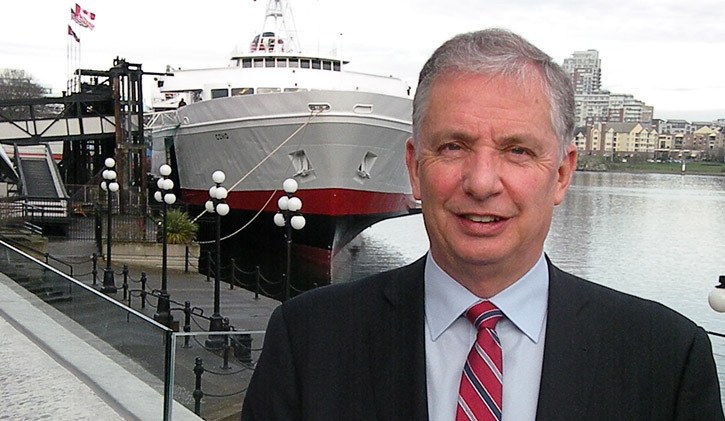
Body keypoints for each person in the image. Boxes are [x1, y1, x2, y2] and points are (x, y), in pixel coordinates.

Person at [241, 28, 724, 420]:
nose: (482, 182)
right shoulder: (307, 341)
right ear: (414, 168)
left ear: (561, 174)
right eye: (453, 146)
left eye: (517, 150)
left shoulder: (665, 358)